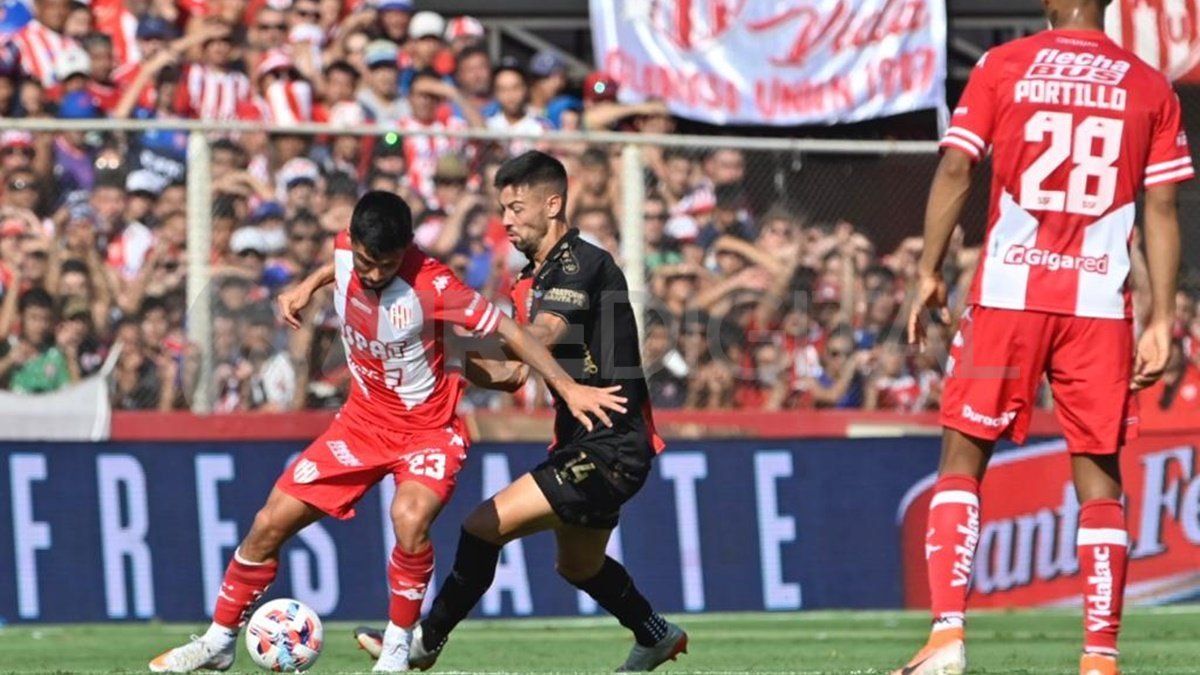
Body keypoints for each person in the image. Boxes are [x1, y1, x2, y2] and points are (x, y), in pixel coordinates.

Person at [147, 191, 627, 673]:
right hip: (361, 424)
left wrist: (568, 387)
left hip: (428, 431)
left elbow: (513, 333)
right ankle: (218, 641)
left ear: (408, 250)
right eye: (366, 262)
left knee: (409, 518)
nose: (375, 274)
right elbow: (338, 264)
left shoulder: (435, 285)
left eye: (388, 264)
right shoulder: (344, 250)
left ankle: (396, 650)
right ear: (352, 242)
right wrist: (305, 287)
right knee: (269, 522)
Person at [898, 1, 1190, 674]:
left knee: (961, 457)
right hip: (1098, 306)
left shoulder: (1003, 64)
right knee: (1099, 474)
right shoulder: (1150, 85)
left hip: (1007, 297)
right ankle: (1100, 656)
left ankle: (946, 637)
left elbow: (956, 168)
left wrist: (928, 270)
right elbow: (1163, 206)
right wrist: (1160, 319)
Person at [357, 151, 688, 671]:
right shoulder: (530, 278)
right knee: (579, 566)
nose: (506, 220)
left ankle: (424, 642)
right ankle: (656, 634)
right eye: (502, 210)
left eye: (516, 208)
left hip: (612, 443)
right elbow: (513, 373)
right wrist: (443, 352)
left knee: (480, 528)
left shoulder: (581, 263)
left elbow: (541, 335)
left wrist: (454, 331)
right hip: (583, 440)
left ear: (552, 204)